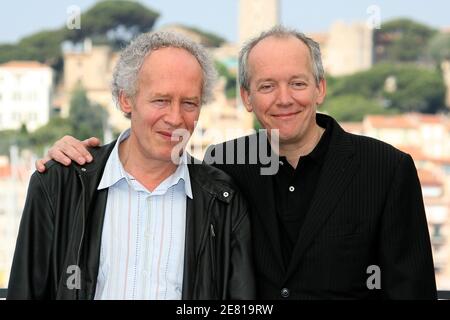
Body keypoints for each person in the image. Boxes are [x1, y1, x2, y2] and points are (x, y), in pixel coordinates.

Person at [35, 26, 437, 299]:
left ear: (320, 88)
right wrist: (74, 158)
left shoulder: (387, 170)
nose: (284, 99)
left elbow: (411, 290)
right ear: (247, 98)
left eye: (297, 83)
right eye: (266, 86)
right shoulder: (224, 166)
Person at [8, 31, 255, 300]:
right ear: (126, 99)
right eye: (161, 100)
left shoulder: (223, 200)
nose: (175, 118)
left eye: (189, 103)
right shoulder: (58, 183)